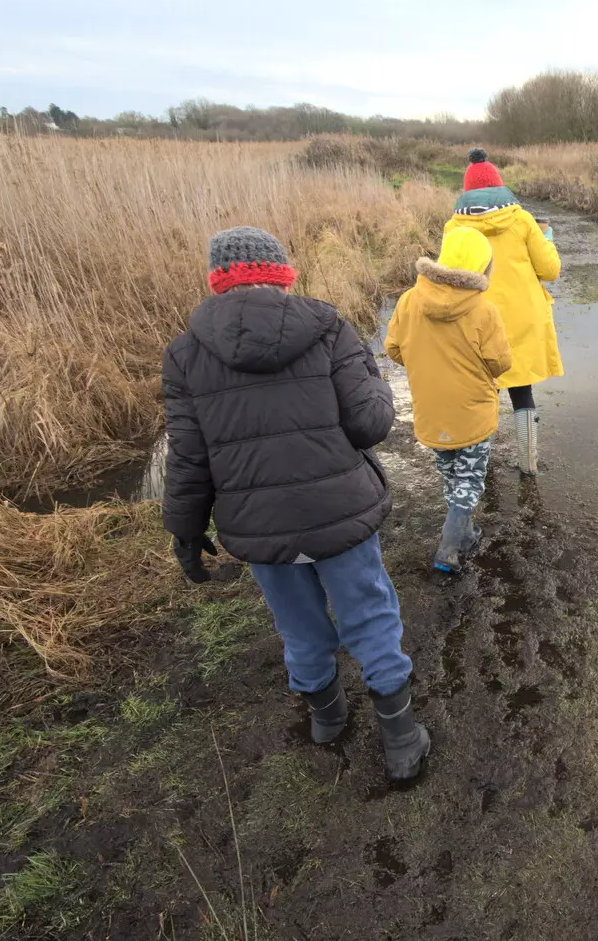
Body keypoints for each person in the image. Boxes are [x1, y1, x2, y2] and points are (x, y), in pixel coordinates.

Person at [162, 226, 430, 780]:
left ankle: (327, 721)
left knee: (298, 626)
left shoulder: (185, 353)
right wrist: (372, 378)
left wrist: (185, 532)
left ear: (217, 281)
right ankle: (401, 742)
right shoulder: (328, 328)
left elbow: (188, 457)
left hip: (260, 527)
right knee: (370, 614)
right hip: (339, 513)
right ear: (284, 273)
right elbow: (372, 423)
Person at [384, 226, 512, 573]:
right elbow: (501, 363)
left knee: (451, 476)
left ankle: (467, 535)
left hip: (431, 412)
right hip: (472, 413)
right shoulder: (484, 311)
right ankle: (448, 549)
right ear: (483, 267)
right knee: (470, 480)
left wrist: (425, 363)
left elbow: (393, 348)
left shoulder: (409, 299)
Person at [445, 147, 561, 476]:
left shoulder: (454, 227)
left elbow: (450, 276)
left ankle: (482, 465)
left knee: (483, 393)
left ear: (466, 191)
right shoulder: (522, 220)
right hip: (523, 316)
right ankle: (528, 463)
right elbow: (550, 270)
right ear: (500, 185)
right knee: (522, 389)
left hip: (476, 318)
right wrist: (547, 237)